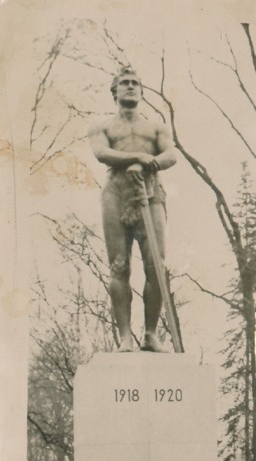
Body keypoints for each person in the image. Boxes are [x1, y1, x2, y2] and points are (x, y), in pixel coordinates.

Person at [89, 66, 177, 352]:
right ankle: (125, 336)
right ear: (114, 91)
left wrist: (147, 162)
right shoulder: (103, 126)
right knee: (119, 266)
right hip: (116, 194)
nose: (130, 86)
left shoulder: (156, 127)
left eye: (135, 83)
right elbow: (102, 153)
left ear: (141, 91)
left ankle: (151, 334)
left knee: (156, 266)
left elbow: (170, 155)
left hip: (150, 194)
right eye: (124, 83)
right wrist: (136, 156)